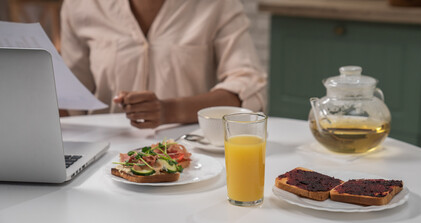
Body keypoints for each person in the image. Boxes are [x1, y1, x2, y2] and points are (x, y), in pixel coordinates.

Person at [60, 0, 267, 129]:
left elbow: (248, 86)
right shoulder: (80, 5)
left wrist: (169, 111)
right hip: (103, 159)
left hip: (191, 158)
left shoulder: (219, 5)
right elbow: (69, 99)